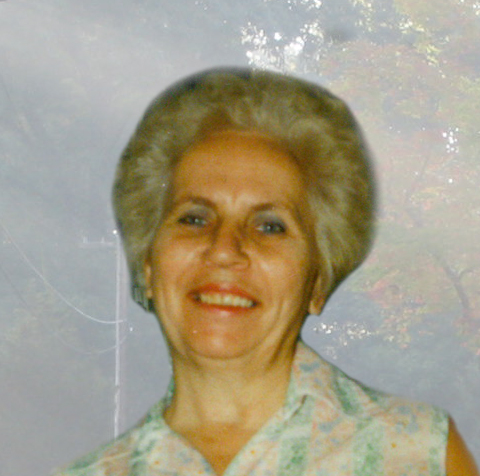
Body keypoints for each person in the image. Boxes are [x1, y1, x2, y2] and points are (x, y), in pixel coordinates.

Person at [52, 68, 478, 476]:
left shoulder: (419, 455)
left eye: (270, 226)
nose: (224, 250)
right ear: (147, 266)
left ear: (318, 282)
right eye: (194, 218)